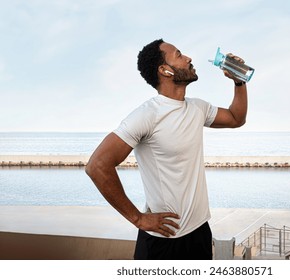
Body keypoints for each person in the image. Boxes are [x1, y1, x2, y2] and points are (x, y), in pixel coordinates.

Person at [86, 39, 247, 260]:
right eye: (179, 55)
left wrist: (239, 82)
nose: (189, 58)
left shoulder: (198, 107)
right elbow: (97, 166)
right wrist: (138, 219)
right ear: (165, 70)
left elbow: (236, 118)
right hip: (163, 242)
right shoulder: (147, 115)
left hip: (200, 232)